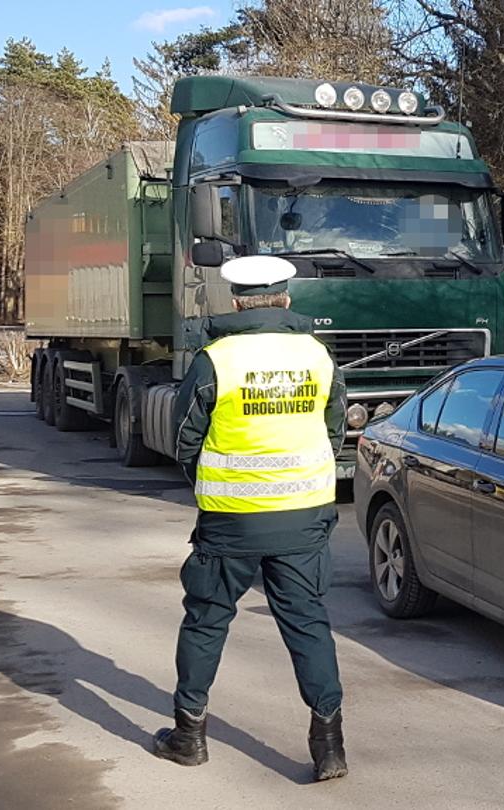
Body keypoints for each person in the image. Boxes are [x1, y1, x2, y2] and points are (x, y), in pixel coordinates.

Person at [151, 255, 350, 782]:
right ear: (285, 298)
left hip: (231, 521)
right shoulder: (318, 355)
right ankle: (329, 745)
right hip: (303, 517)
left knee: (206, 621)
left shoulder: (216, 359)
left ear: (236, 301)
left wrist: (214, 485)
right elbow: (334, 433)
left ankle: (188, 736)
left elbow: (184, 438)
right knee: (307, 623)